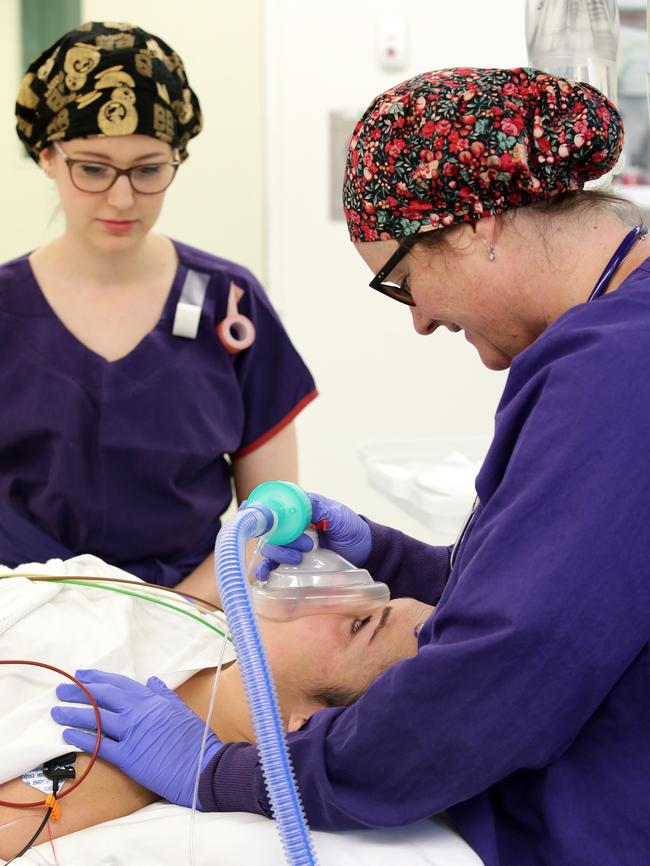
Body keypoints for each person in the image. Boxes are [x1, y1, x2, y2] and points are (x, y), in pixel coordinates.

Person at [53, 67, 650, 866]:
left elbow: (497, 673)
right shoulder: (611, 350)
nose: (423, 322)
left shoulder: (617, 370)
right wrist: (389, 551)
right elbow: (571, 592)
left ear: (476, 225)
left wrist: (234, 771)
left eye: (402, 282)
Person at [3, 21, 316, 600]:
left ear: (178, 156)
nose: (122, 199)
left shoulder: (228, 304)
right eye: (92, 169)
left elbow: (271, 513)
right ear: (47, 156)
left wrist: (178, 616)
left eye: (148, 170)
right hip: (18, 624)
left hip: (197, 615)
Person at [0, 563, 430, 858]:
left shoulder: (111, 765)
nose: (342, 595)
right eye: (376, 592)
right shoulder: (182, 611)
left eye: (361, 625)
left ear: (305, 723)